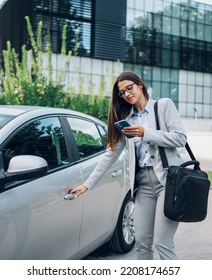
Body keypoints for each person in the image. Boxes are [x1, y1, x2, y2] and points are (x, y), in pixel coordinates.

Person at [71, 71, 187, 260]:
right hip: (143, 185)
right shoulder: (127, 119)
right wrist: (87, 184)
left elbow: (180, 138)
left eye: (129, 88)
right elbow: (111, 153)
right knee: (141, 242)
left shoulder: (163, 105)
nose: (126, 94)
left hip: (168, 182)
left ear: (140, 85)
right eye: (122, 92)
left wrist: (145, 133)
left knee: (162, 243)